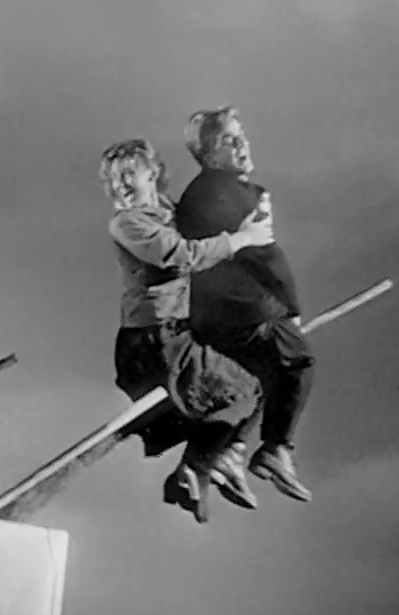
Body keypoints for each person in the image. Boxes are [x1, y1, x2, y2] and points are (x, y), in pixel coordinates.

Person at [99, 139, 272, 521]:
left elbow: (208, 239)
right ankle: (200, 466)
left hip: (178, 333)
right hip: (152, 343)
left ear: (153, 172)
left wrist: (245, 223)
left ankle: (209, 464)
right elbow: (182, 256)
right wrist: (241, 240)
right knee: (245, 391)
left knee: (252, 384)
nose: (120, 185)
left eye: (128, 174)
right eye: (112, 181)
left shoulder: (168, 214)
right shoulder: (128, 223)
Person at [175, 106, 314, 503]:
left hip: (213, 315)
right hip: (242, 310)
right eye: (228, 140)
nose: (241, 144)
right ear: (209, 154)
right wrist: (292, 307)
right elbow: (266, 255)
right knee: (297, 360)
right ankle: (274, 450)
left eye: (241, 135)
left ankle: (229, 454)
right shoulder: (226, 192)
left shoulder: (214, 192)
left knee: (260, 380)